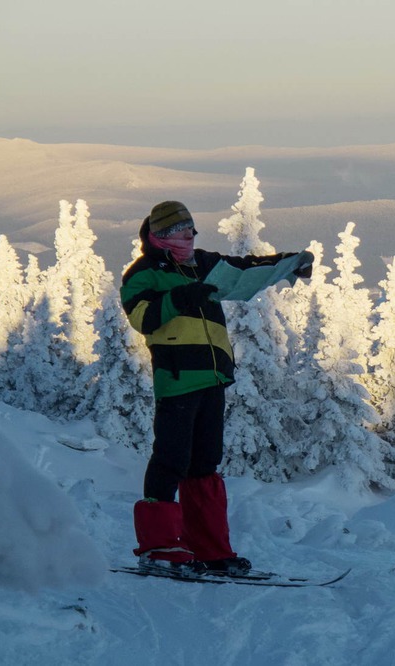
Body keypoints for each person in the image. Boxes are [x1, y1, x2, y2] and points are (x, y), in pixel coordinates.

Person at [121, 200, 311, 575]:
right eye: (180, 230)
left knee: (205, 464)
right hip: (177, 379)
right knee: (170, 460)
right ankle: (159, 546)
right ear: (159, 235)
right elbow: (142, 317)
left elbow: (244, 272)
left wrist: (291, 262)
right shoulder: (144, 272)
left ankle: (209, 549)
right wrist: (179, 297)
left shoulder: (202, 264)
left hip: (213, 378)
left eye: (191, 229)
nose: (189, 235)